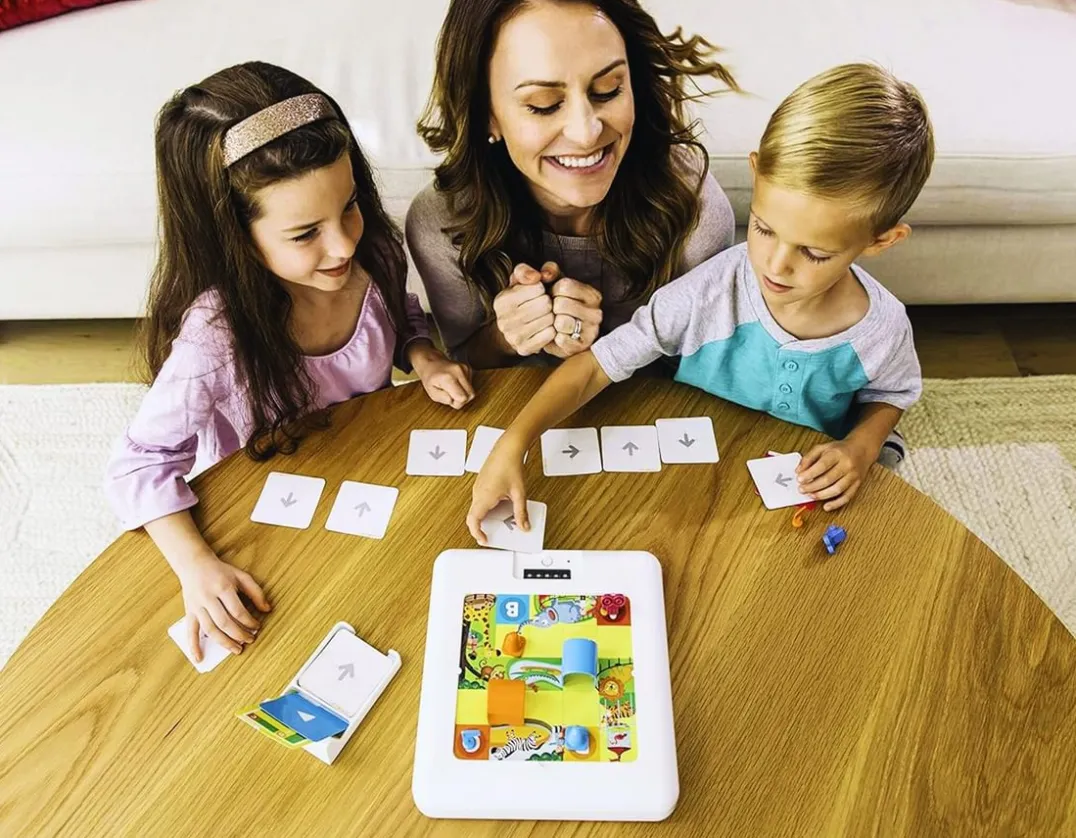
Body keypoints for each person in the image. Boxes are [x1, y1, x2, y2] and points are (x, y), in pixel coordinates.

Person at [467, 63, 935, 542]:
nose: (775, 265)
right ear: (756, 174)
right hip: (703, 472)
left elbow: (891, 395)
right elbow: (594, 368)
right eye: (763, 228)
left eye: (814, 253)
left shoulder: (883, 327)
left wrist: (860, 447)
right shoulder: (708, 292)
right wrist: (514, 442)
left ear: (881, 240)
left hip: (802, 486)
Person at [104, 62, 473, 660]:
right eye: (305, 234)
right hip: (268, 502)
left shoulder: (374, 251)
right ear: (236, 238)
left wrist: (422, 353)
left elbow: (402, 314)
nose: (343, 244)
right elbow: (136, 465)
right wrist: (196, 567)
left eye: (349, 206)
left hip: (367, 465)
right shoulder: (215, 337)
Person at [406, 0, 740, 368]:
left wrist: (610, 351)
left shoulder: (694, 207)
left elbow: (707, 372)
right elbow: (464, 357)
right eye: (544, 104)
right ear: (486, 113)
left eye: (608, 90)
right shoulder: (441, 221)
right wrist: (505, 335)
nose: (586, 133)